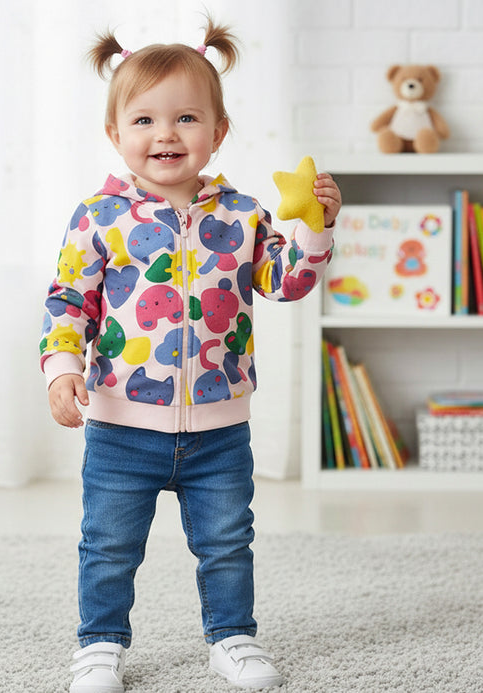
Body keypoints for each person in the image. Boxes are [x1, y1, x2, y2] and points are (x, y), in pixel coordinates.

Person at [40, 15, 341, 692]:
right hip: (121, 427)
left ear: (218, 131)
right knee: (108, 545)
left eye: (185, 118)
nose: (166, 135)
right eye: (144, 120)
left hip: (219, 428)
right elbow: (67, 300)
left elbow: (285, 281)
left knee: (227, 543)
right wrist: (62, 370)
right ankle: (99, 644)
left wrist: (315, 229)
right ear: (115, 134)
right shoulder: (98, 216)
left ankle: (232, 638)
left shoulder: (242, 213)